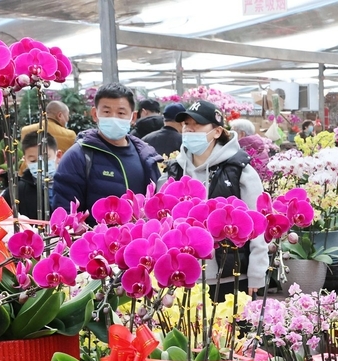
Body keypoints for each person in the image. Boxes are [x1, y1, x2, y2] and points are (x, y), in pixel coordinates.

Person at [162, 100, 269, 298]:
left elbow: (258, 227)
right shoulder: (174, 171)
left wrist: (257, 273)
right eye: (186, 125)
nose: (190, 130)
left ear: (217, 131)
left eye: (197, 125)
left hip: (230, 274)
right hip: (183, 278)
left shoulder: (240, 171)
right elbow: (160, 223)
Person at [51, 82, 162, 218]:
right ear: (95, 114)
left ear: (133, 117)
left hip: (137, 238)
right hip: (94, 238)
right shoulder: (78, 156)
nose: (113, 118)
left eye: (121, 113)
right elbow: (65, 213)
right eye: (107, 112)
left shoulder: (146, 156)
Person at [1, 132, 59, 220]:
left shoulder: (70, 184)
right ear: (25, 160)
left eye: (45, 158)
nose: (40, 165)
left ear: (58, 155)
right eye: (33, 160)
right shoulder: (16, 192)